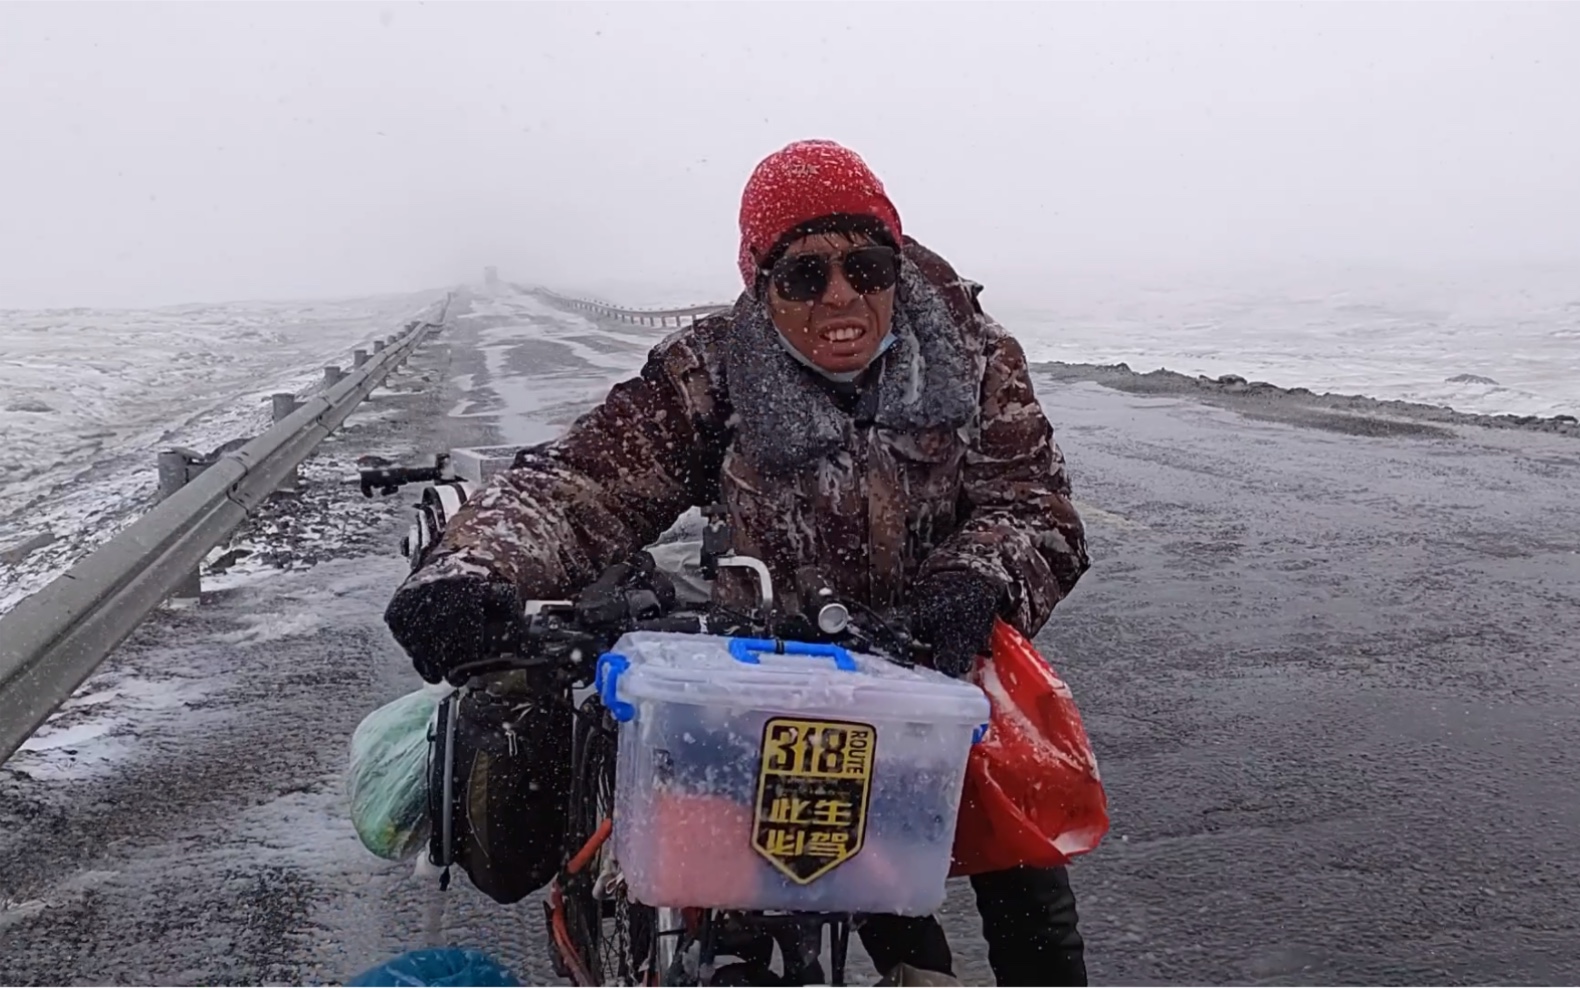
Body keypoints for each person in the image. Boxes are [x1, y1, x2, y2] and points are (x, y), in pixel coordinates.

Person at [384, 139, 1092, 986]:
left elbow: (1036, 505)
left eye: (866, 267)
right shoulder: (712, 369)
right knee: (816, 896)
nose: (841, 295)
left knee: (1033, 905)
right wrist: (468, 567)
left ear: (895, 267)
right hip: (778, 683)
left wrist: (972, 583)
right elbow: (583, 486)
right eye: (804, 276)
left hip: (944, 671)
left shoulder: (975, 356)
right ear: (761, 282)